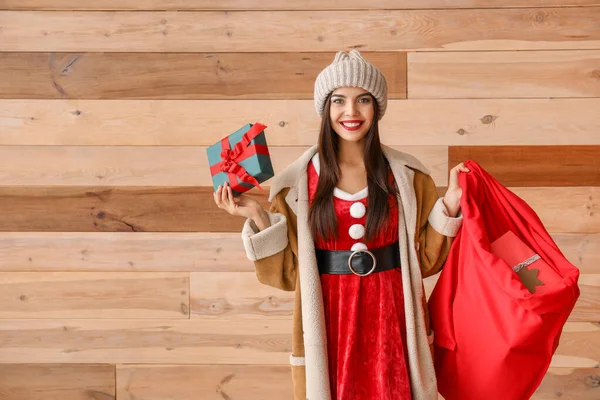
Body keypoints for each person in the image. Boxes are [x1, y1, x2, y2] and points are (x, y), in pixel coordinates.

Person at [213, 50, 470, 400]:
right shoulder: (294, 186)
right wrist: (257, 216)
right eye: (339, 101)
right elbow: (287, 275)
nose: (351, 112)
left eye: (363, 99)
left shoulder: (409, 178)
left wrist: (451, 204)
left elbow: (425, 261)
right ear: (325, 109)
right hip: (328, 320)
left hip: (393, 316)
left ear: (376, 108)